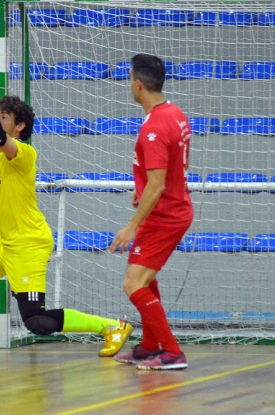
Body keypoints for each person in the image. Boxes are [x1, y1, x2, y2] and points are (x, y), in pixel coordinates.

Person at [0, 58, 133, 355]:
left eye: (4, 117)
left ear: (19, 127)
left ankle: (112, 327)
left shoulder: (22, 153)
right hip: (5, 242)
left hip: (29, 243)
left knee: (36, 321)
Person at [110, 53, 193, 371]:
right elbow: (181, 165)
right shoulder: (175, 113)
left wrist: (131, 226)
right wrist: (145, 188)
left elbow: (158, 186)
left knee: (133, 283)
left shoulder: (154, 127)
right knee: (145, 277)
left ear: (139, 85)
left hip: (166, 214)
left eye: (130, 79)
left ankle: (172, 352)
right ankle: (149, 346)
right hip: (169, 207)